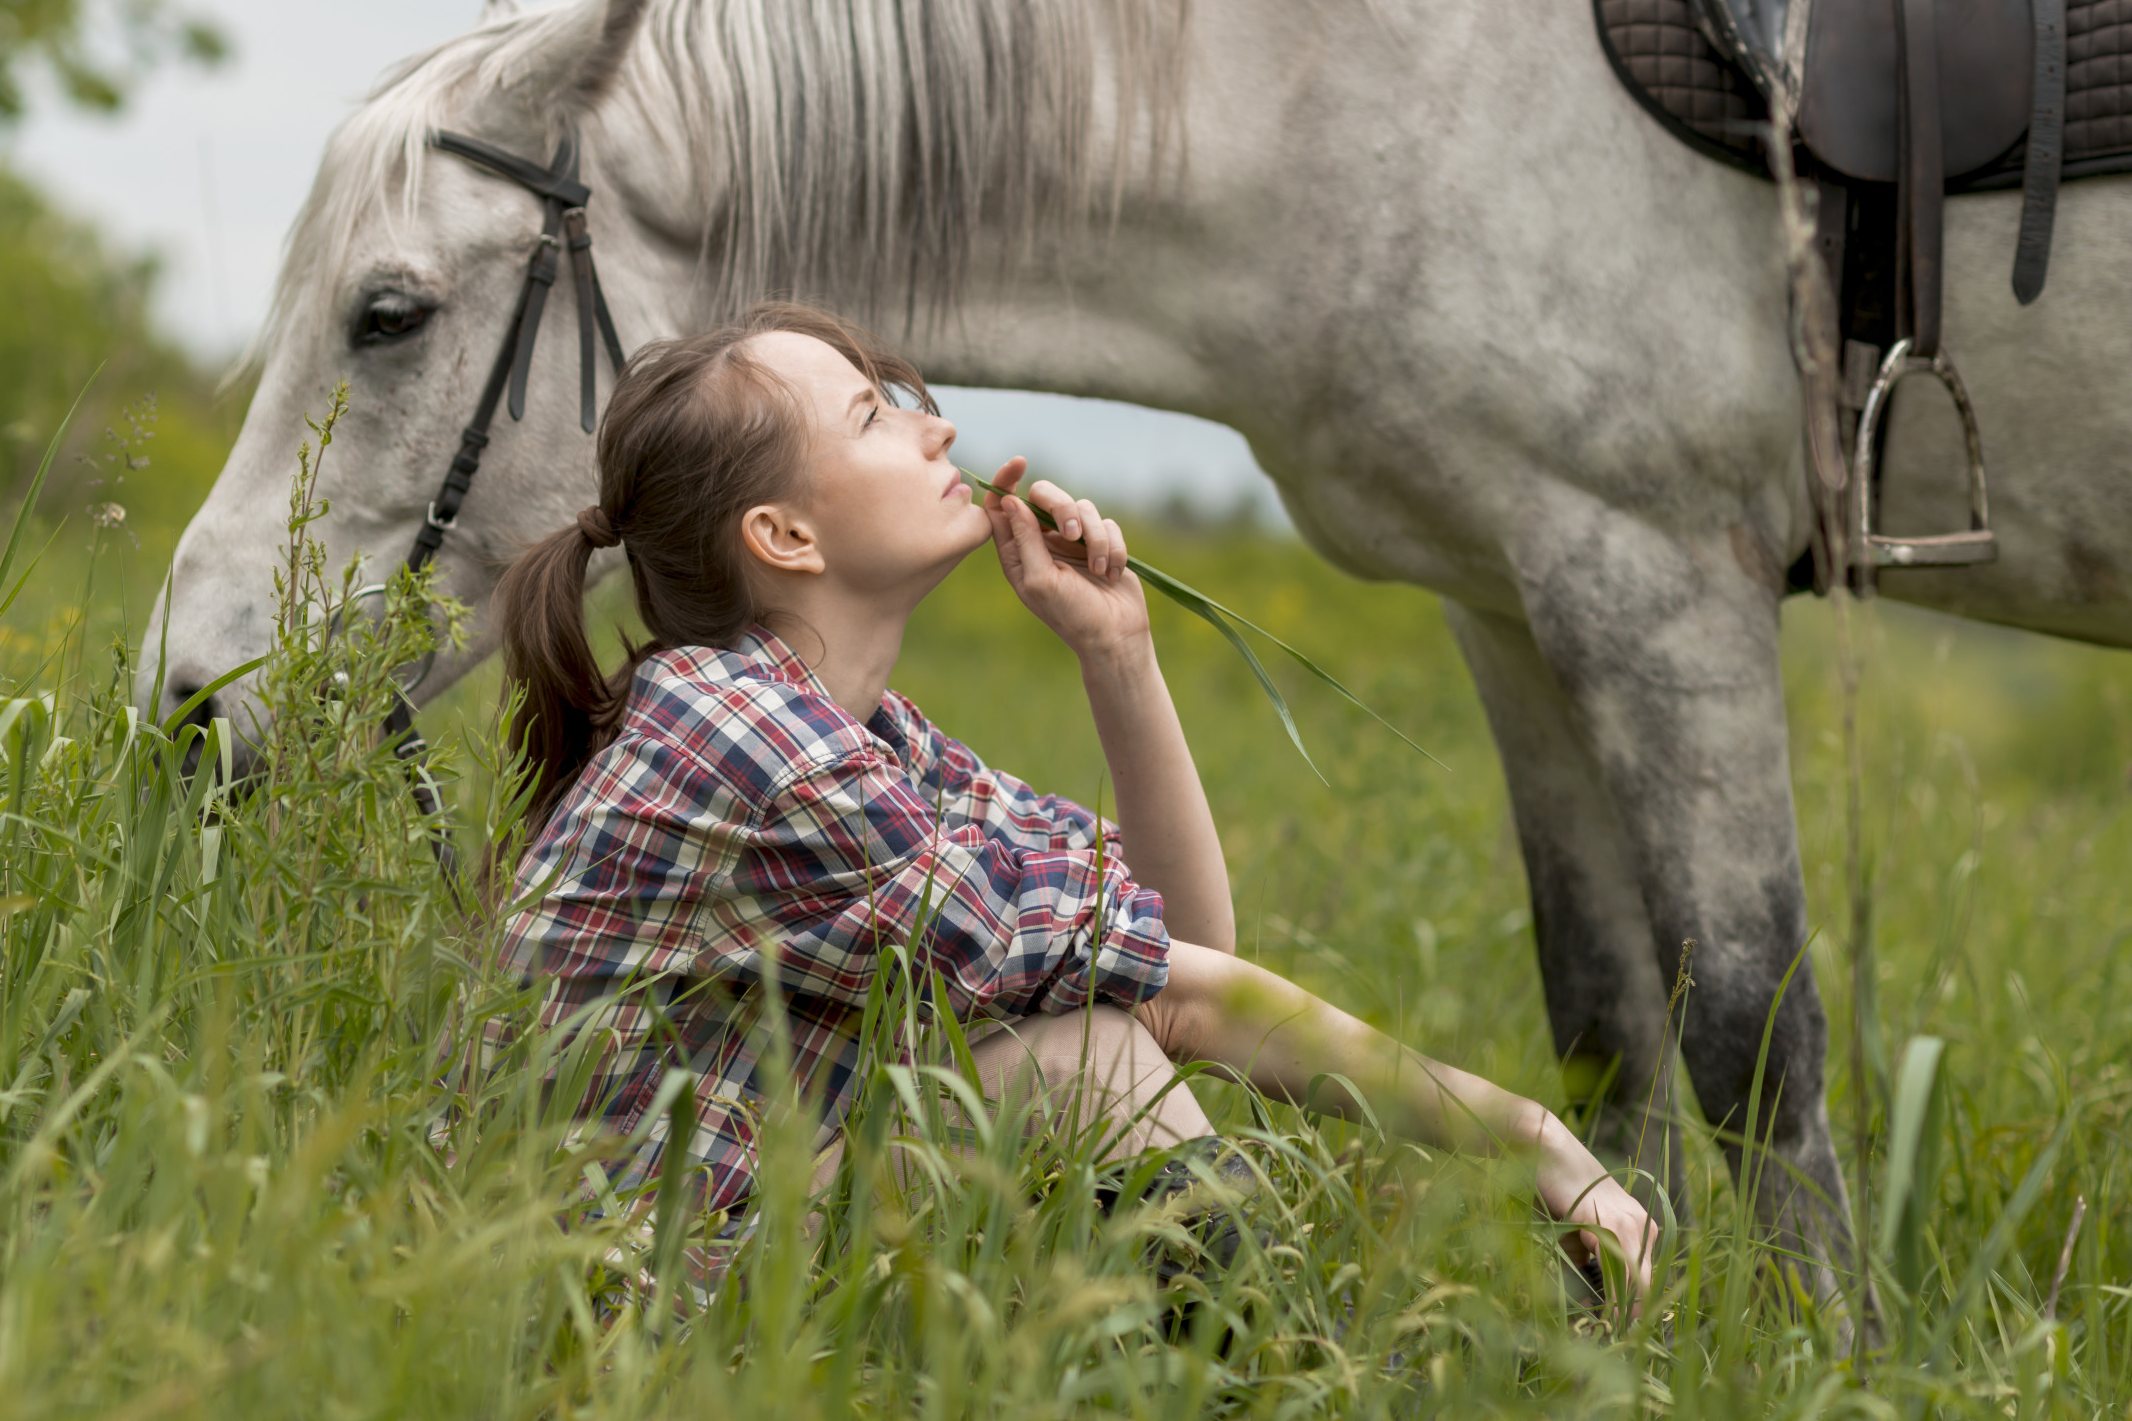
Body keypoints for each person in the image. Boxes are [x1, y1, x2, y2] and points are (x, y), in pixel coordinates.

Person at [495, 302, 1657, 1298]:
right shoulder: (747, 741)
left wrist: (1118, 654)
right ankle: (1290, 1372)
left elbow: (1177, 945)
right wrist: (1528, 1134)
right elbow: (1182, 995)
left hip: (720, 1246)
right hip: (613, 1300)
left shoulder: (870, 740)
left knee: (1088, 1046)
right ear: (783, 536)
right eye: (872, 415)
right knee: (1080, 1065)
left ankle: (1270, 1367)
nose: (935, 423)